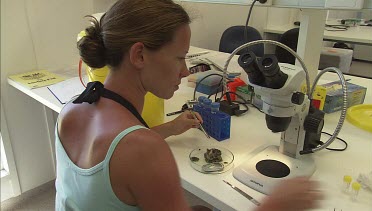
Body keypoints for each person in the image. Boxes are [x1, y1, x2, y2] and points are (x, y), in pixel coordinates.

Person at [55, 0, 323, 210]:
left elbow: (114, 154)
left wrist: (170, 128)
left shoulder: (72, 110)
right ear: (139, 55)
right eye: (179, 58)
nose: (185, 72)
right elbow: (135, 152)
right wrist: (276, 206)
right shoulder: (145, 151)